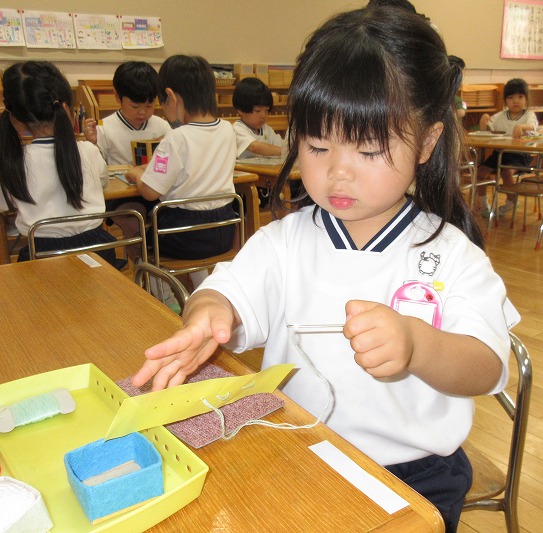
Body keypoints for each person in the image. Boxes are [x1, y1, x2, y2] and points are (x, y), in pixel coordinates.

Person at [132, 8, 517, 533]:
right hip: (299, 449)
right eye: (317, 146)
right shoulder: (285, 242)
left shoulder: (450, 254)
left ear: (427, 143)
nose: (338, 171)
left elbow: (487, 367)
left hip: (415, 475)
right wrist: (206, 315)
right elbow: (226, 292)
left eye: (368, 150)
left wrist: (417, 345)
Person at [0, 61, 117, 266]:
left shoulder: (12, 162)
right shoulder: (88, 150)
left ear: (14, 118)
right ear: (66, 108)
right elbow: (103, 182)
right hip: (99, 255)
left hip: (43, 259)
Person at [125, 55, 237, 289]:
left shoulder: (175, 138)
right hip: (224, 229)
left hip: (182, 235)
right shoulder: (228, 130)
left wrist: (136, 174)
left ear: (172, 97)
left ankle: (165, 298)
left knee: (140, 241)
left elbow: (149, 192)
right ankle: (202, 288)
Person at [83, 61, 172, 262]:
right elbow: (96, 168)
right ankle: (141, 265)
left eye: (149, 106)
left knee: (173, 213)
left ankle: (159, 262)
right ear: (117, 97)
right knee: (133, 219)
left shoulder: (162, 126)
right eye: (134, 106)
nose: (142, 113)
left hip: (156, 191)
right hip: (122, 197)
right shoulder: (105, 128)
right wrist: (92, 143)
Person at [473, 78, 538, 217]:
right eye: (511, 98)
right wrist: (484, 119)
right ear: (505, 100)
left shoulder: (529, 115)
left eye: (520, 97)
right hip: (500, 153)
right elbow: (486, 129)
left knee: (506, 172)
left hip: (519, 154)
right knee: (480, 173)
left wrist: (522, 127)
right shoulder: (501, 116)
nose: (516, 101)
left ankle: (511, 201)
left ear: (526, 99)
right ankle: (483, 205)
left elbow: (532, 126)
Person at [232, 77, 285, 159]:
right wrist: (284, 152)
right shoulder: (237, 129)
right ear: (240, 110)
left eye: (266, 110)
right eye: (257, 110)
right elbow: (254, 147)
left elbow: (281, 144)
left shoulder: (267, 130)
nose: (263, 116)